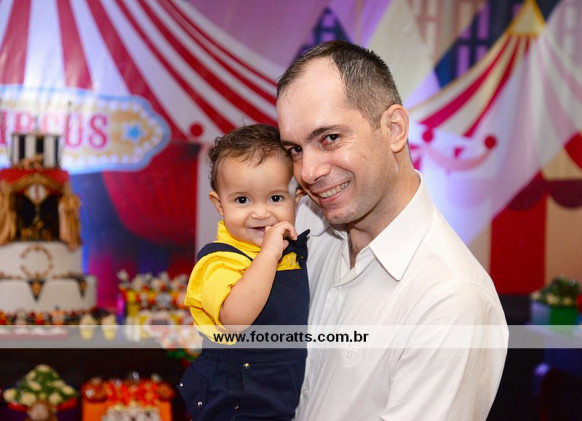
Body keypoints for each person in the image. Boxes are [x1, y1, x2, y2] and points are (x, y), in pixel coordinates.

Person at [276, 40, 508, 420]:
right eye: (295, 150)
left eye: (329, 138)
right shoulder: (307, 221)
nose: (308, 171)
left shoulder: (450, 298)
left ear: (394, 129)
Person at [179, 124, 309, 420]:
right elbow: (235, 320)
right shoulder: (218, 261)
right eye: (242, 200)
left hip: (279, 398)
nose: (261, 213)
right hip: (232, 401)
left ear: (298, 198)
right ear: (219, 204)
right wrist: (269, 255)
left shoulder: (292, 254)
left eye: (276, 198)